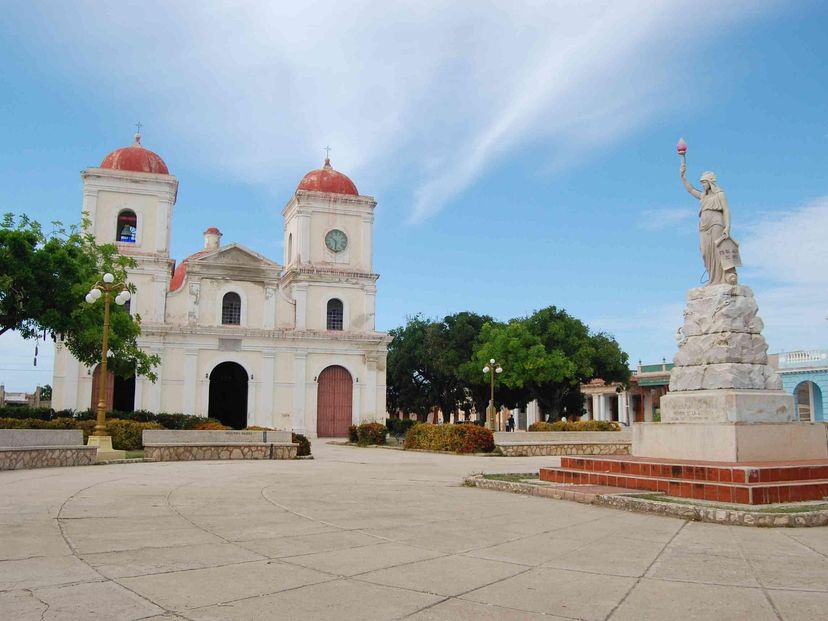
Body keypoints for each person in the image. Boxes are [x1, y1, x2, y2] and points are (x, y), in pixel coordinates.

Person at [680, 158, 737, 285]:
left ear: (710, 182)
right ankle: (712, 278)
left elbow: (726, 210)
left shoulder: (720, 194)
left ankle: (721, 280)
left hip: (716, 222)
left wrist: (727, 227)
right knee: (705, 251)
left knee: (717, 251)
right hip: (703, 226)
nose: (702, 185)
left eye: (704, 182)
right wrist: (683, 176)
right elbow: (690, 190)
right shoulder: (703, 196)